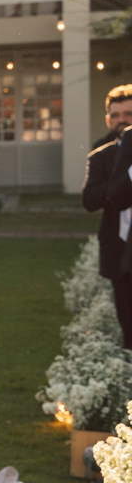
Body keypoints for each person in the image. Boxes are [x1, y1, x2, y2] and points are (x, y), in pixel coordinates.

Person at [83, 87, 132, 348]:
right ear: (108, 119)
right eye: (116, 115)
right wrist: (123, 182)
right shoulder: (102, 153)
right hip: (118, 244)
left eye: (129, 114)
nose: (122, 120)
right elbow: (90, 200)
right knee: (126, 318)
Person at [93, 84, 132, 150]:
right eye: (115, 116)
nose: (121, 120)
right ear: (107, 120)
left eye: (128, 114)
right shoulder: (100, 155)